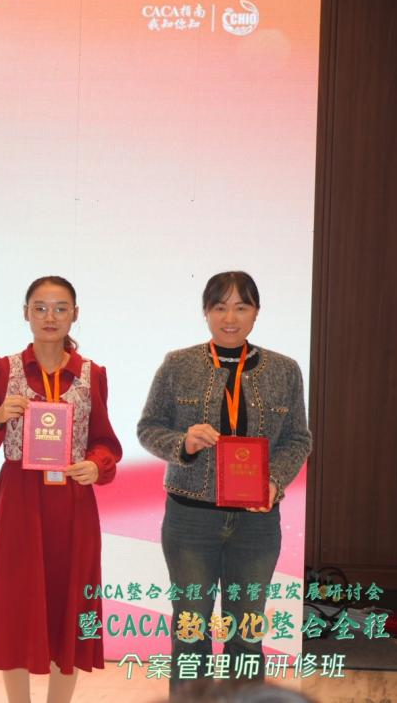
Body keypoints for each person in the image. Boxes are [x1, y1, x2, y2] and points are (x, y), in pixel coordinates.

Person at [137, 271, 311, 691]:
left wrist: (274, 482)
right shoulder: (178, 364)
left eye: (241, 307)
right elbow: (148, 428)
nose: (230, 318)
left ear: (256, 313)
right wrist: (183, 442)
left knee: (246, 634)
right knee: (190, 632)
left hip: (256, 522)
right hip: (190, 519)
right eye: (220, 307)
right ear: (206, 312)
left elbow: (298, 439)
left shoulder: (285, 370)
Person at [0, 275, 122, 703]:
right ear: (25, 313)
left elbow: (106, 442)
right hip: (19, 499)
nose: (49, 317)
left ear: (75, 314)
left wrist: (96, 465)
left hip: (72, 500)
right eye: (40, 307)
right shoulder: (5, 369)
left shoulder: (92, 374)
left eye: (60, 308)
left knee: (68, 606)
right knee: (17, 605)